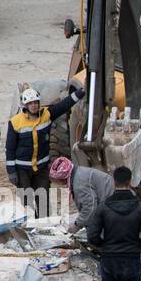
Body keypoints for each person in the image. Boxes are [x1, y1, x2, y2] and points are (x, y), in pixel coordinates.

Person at [6, 85, 85, 218]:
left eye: (36, 102)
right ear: (25, 105)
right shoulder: (15, 122)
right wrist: (11, 171)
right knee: (27, 201)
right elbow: (10, 148)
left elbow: (64, 105)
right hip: (22, 169)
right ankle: (29, 225)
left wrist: (81, 92)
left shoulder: (46, 115)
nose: (34, 106)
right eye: (30, 103)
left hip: (41, 168)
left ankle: (43, 225)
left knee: (43, 200)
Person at [50, 157, 114, 234]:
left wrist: (77, 225)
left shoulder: (79, 183)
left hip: (112, 207)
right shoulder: (78, 172)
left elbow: (90, 207)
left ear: (63, 178)